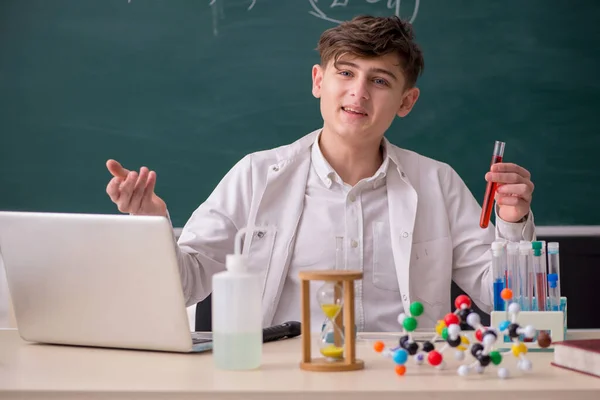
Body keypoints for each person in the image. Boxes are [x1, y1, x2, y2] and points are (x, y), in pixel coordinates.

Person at [105, 15, 535, 331]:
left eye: (380, 81)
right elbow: (186, 284)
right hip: (282, 380)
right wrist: (150, 227)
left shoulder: (437, 183)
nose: (358, 92)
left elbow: (506, 299)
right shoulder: (256, 177)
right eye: (345, 73)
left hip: (405, 380)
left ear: (407, 101)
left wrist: (511, 226)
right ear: (318, 81)